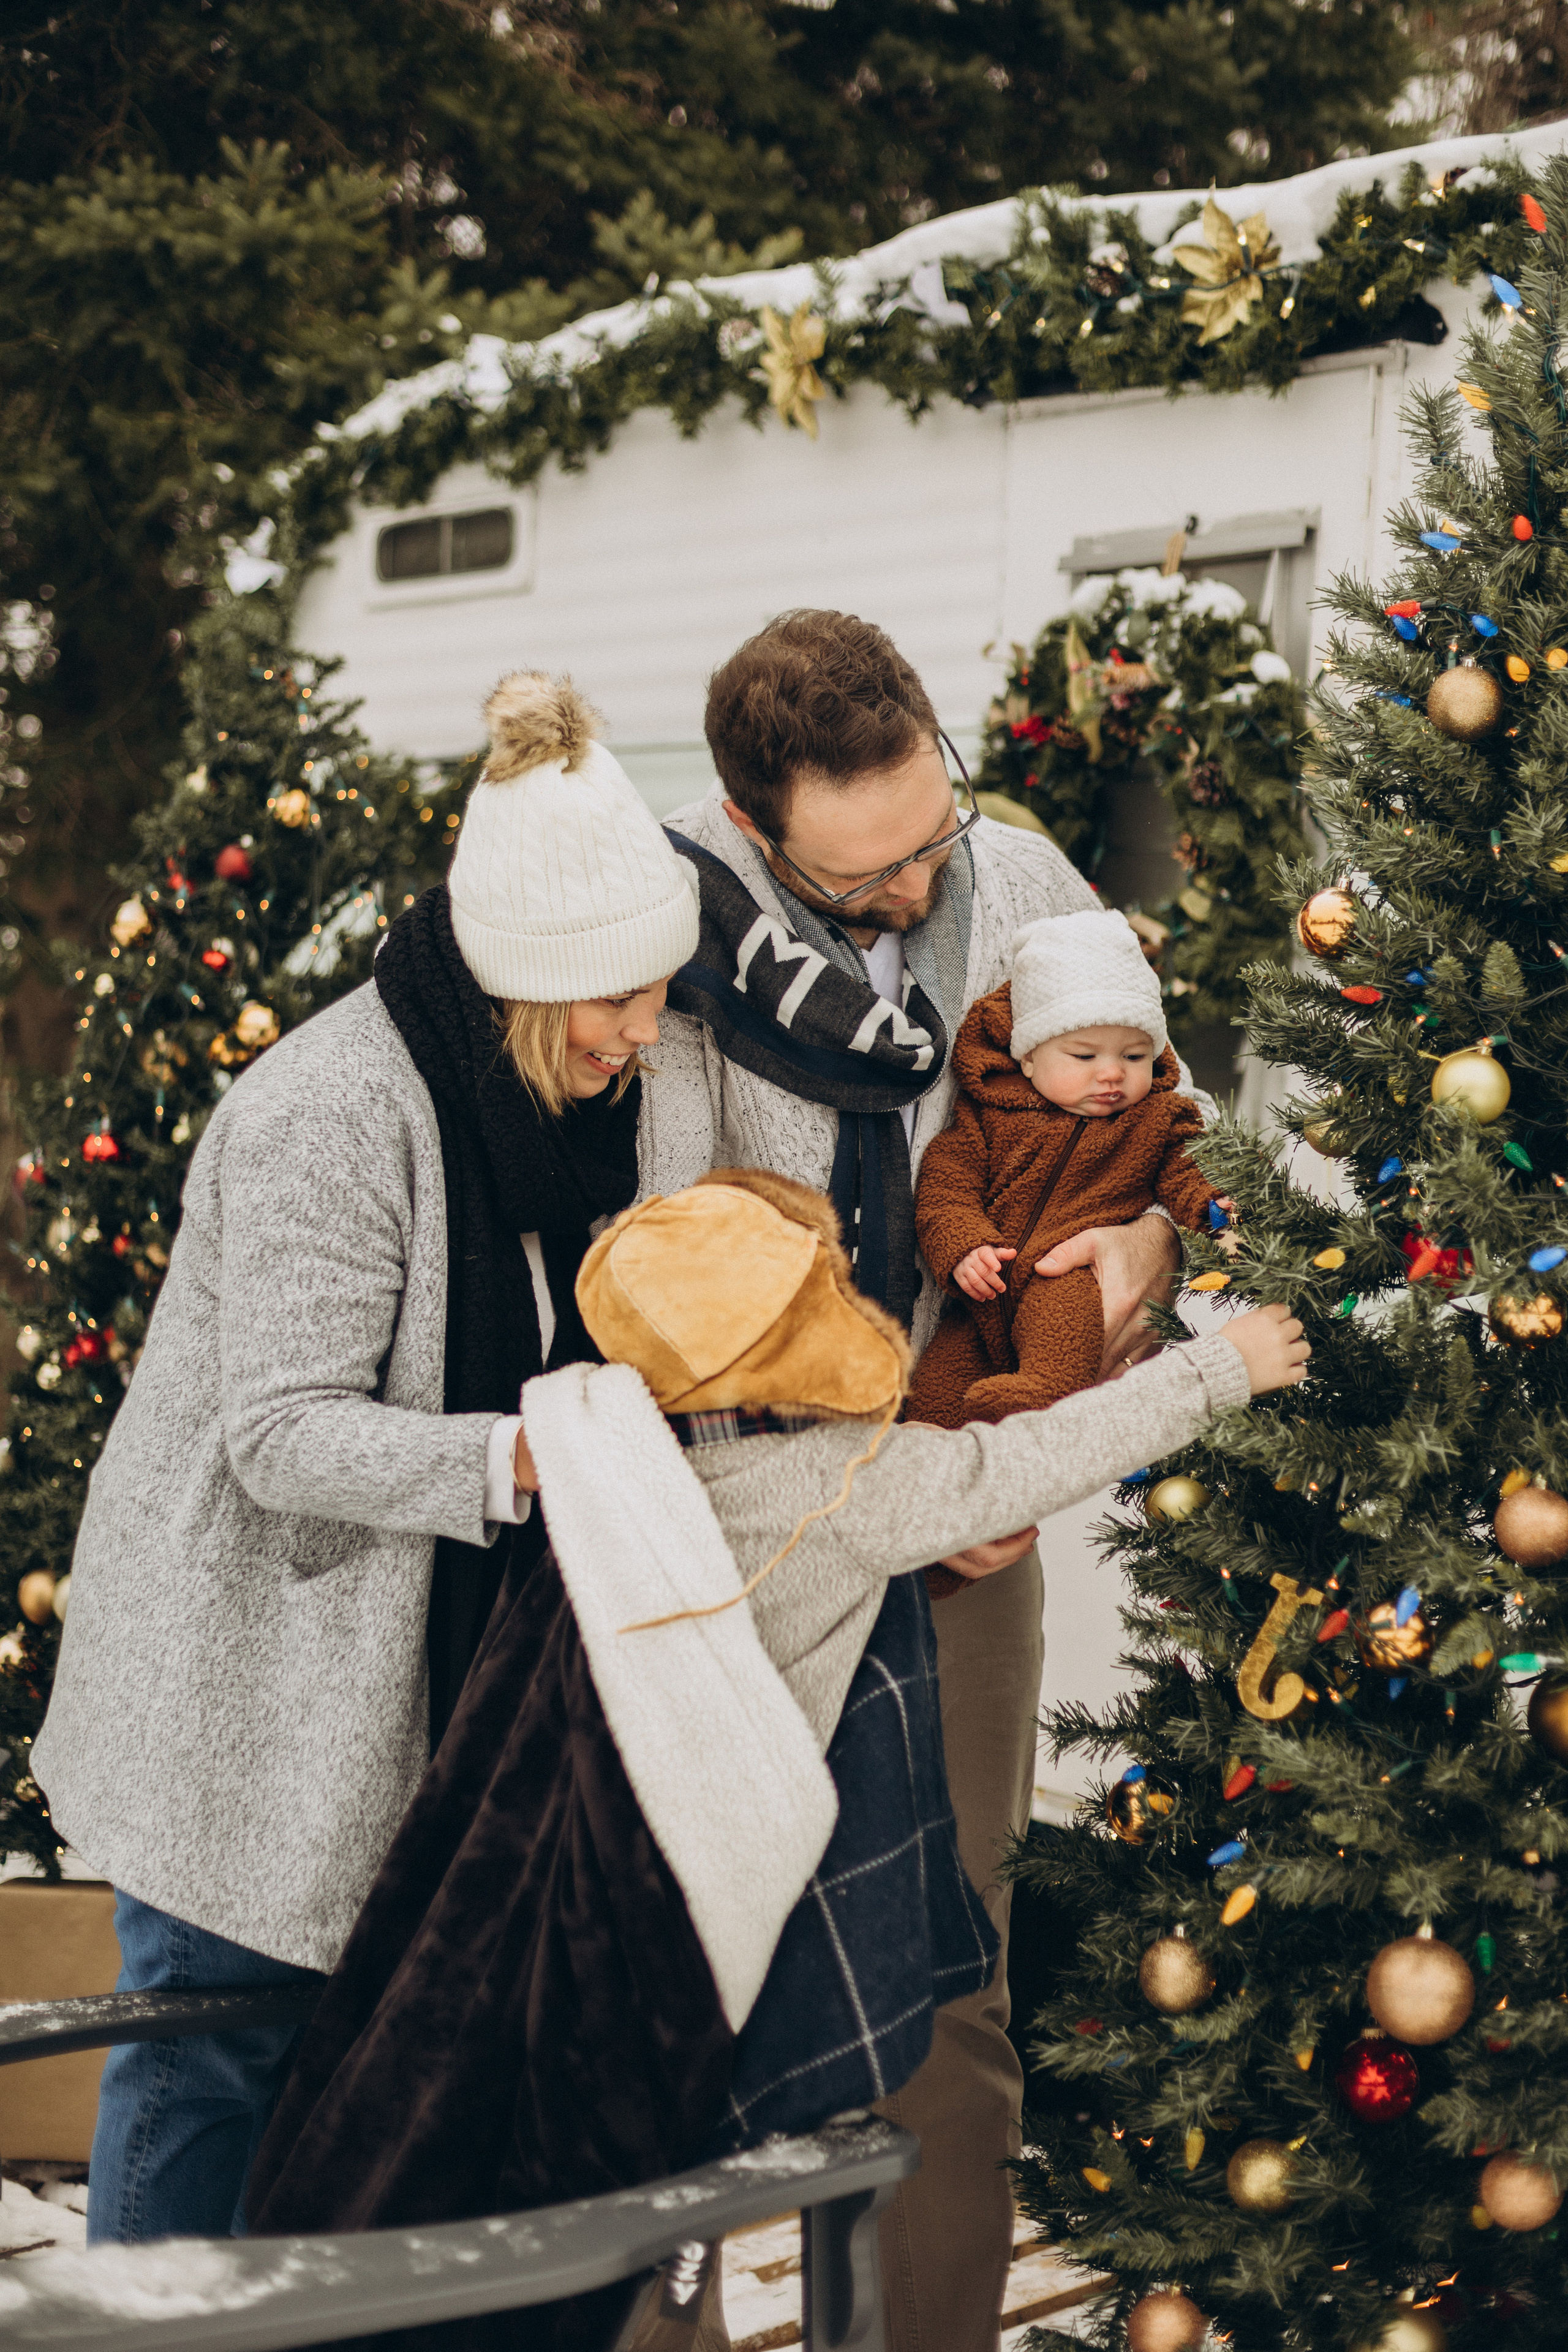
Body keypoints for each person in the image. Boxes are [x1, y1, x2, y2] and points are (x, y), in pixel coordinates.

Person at [244, 1166, 1307, 2352]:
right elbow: (1036, 1457)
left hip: (568, 1845)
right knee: (672, 2152)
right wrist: (1224, 1367)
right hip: (713, 1885)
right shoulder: (840, 1483)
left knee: (559, 2148)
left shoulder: (604, 1433)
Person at [30, 671, 701, 2247]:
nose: (641, 1031)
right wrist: (526, 1454)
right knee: (215, 2064)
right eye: (612, 996)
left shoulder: (568, 1104)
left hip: (412, 1682)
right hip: (251, 1685)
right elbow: (279, 1431)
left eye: (655, 987)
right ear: (522, 979)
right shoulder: (331, 1110)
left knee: (356, 2102)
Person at [638, 609, 1211, 2352]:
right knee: (682, 1959)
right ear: (756, 830)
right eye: (862, 876)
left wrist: (1151, 1258)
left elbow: (1161, 1134)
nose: (914, 895)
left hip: (980, 1517)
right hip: (760, 1526)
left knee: (950, 1973)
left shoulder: (1025, 889)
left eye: (929, 839)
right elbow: (666, 1266)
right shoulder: (686, 958)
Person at [908, 907, 1219, 1430]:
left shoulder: (1157, 1119)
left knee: (1067, 1334)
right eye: (1083, 1056)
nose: (1113, 1074)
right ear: (1028, 1058)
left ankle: (1039, 1399)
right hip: (987, 1294)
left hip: (1070, 1272)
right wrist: (963, 1246)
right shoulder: (990, 1117)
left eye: (1136, 1056)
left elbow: (1185, 1169)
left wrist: (1209, 1206)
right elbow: (946, 1185)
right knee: (936, 1389)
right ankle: (927, 1438)